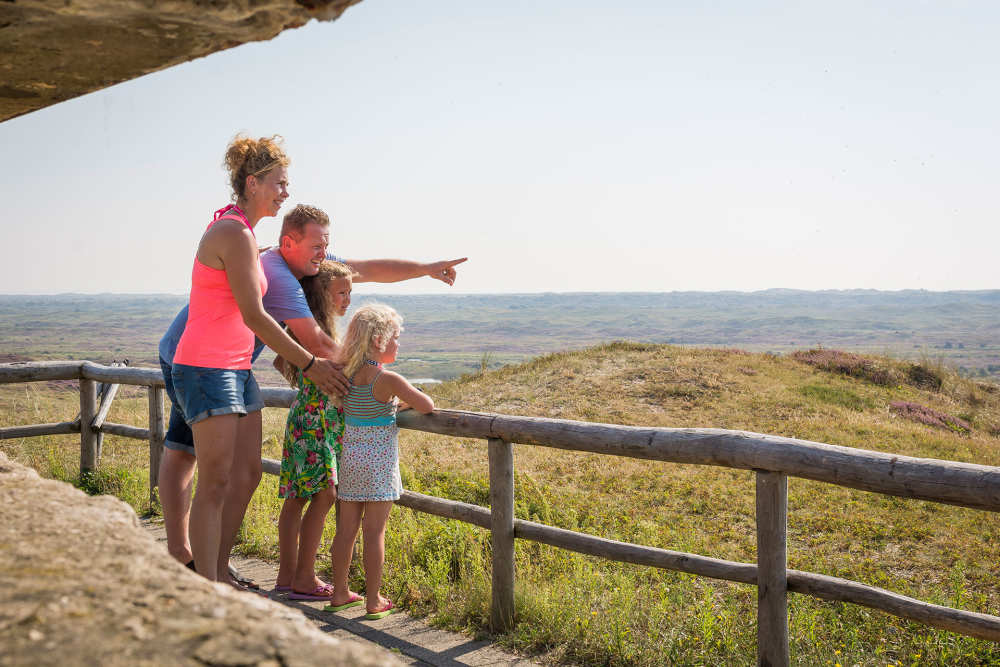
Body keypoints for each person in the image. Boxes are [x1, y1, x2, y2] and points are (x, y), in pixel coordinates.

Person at [158, 200, 466, 587]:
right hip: (190, 357)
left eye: (326, 246)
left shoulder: (308, 262)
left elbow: (367, 269)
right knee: (187, 454)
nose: (324, 254)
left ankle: (210, 567)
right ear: (289, 243)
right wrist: (372, 376)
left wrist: (425, 270)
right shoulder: (277, 271)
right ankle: (186, 558)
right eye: (317, 247)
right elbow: (317, 343)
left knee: (232, 469)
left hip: (228, 362)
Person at [170, 134, 343, 583]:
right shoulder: (232, 233)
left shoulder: (244, 234)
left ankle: (219, 571)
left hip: (236, 367)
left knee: (246, 475)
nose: (285, 193)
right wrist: (309, 363)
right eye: (279, 184)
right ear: (252, 183)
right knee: (214, 484)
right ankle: (206, 586)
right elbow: (254, 314)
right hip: (207, 367)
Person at [327, 304, 434, 619]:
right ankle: (373, 600)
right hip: (378, 468)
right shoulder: (387, 380)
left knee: (345, 532)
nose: (398, 344)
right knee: (374, 533)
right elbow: (427, 405)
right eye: (395, 338)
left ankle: (339, 592)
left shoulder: (345, 375)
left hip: (351, 464)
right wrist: (398, 403)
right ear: (378, 340)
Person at [275, 261, 353, 600]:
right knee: (324, 495)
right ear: (322, 295)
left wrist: (305, 380)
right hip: (318, 420)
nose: (347, 299)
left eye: (350, 292)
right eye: (341, 293)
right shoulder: (320, 334)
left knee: (297, 498)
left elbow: (281, 361)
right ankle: (304, 578)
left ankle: (286, 576)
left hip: (303, 416)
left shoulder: (303, 328)